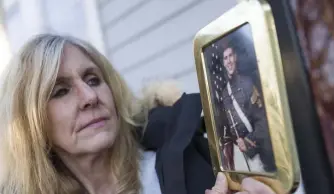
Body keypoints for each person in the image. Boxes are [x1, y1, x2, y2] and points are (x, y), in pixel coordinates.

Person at [0, 34, 276, 194]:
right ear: (31, 125)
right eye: (60, 91)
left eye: (93, 79)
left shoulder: (187, 157)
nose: (90, 97)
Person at [218, 43, 277, 173]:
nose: (229, 61)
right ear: (223, 62)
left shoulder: (248, 82)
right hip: (242, 158)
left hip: (262, 151)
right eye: (225, 58)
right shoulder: (224, 93)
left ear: (236, 57)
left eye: (230, 56)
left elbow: (263, 121)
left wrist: (248, 141)